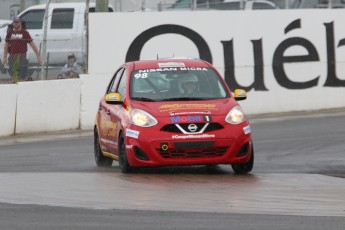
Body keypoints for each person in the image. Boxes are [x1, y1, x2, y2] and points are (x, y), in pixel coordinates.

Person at [2, 17, 42, 81]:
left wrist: (38, 56)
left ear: (20, 23)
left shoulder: (25, 33)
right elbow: (6, 46)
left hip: (22, 57)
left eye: (17, 22)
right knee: (14, 76)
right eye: (14, 22)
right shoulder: (10, 33)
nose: (16, 24)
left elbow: (32, 45)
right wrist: (4, 57)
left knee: (22, 77)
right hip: (12, 57)